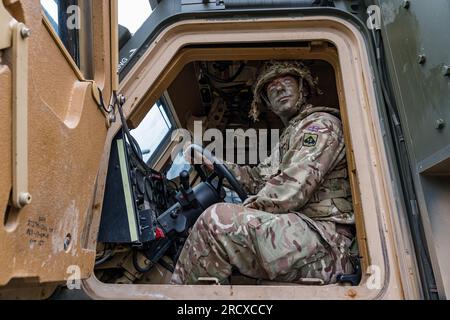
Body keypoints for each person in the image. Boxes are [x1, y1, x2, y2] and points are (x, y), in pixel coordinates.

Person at [171, 61, 356, 285]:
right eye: (271, 87)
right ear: (267, 102)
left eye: (286, 81)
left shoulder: (321, 126)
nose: (279, 88)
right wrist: (215, 163)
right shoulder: (289, 136)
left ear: (303, 88)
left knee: (217, 221)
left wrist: (241, 211)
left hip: (326, 240)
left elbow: (292, 190)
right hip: (304, 232)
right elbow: (258, 180)